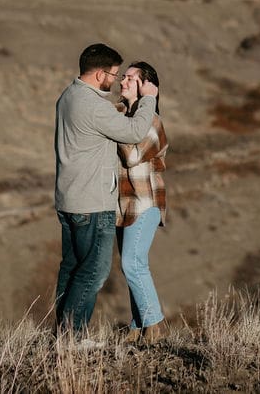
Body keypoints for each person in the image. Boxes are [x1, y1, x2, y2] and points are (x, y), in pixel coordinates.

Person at [54, 43, 159, 338]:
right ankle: (73, 338)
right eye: (114, 75)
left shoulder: (68, 97)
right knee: (93, 273)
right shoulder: (95, 107)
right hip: (92, 202)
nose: (116, 81)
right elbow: (134, 132)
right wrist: (149, 99)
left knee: (71, 270)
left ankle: (63, 335)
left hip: (68, 199)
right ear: (100, 74)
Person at [116, 61, 169, 344]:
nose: (122, 81)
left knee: (133, 263)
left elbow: (133, 156)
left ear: (145, 85)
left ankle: (155, 326)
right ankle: (137, 327)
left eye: (130, 78)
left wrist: (149, 101)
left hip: (145, 201)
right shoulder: (122, 114)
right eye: (122, 76)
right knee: (131, 265)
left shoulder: (152, 121)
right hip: (124, 204)